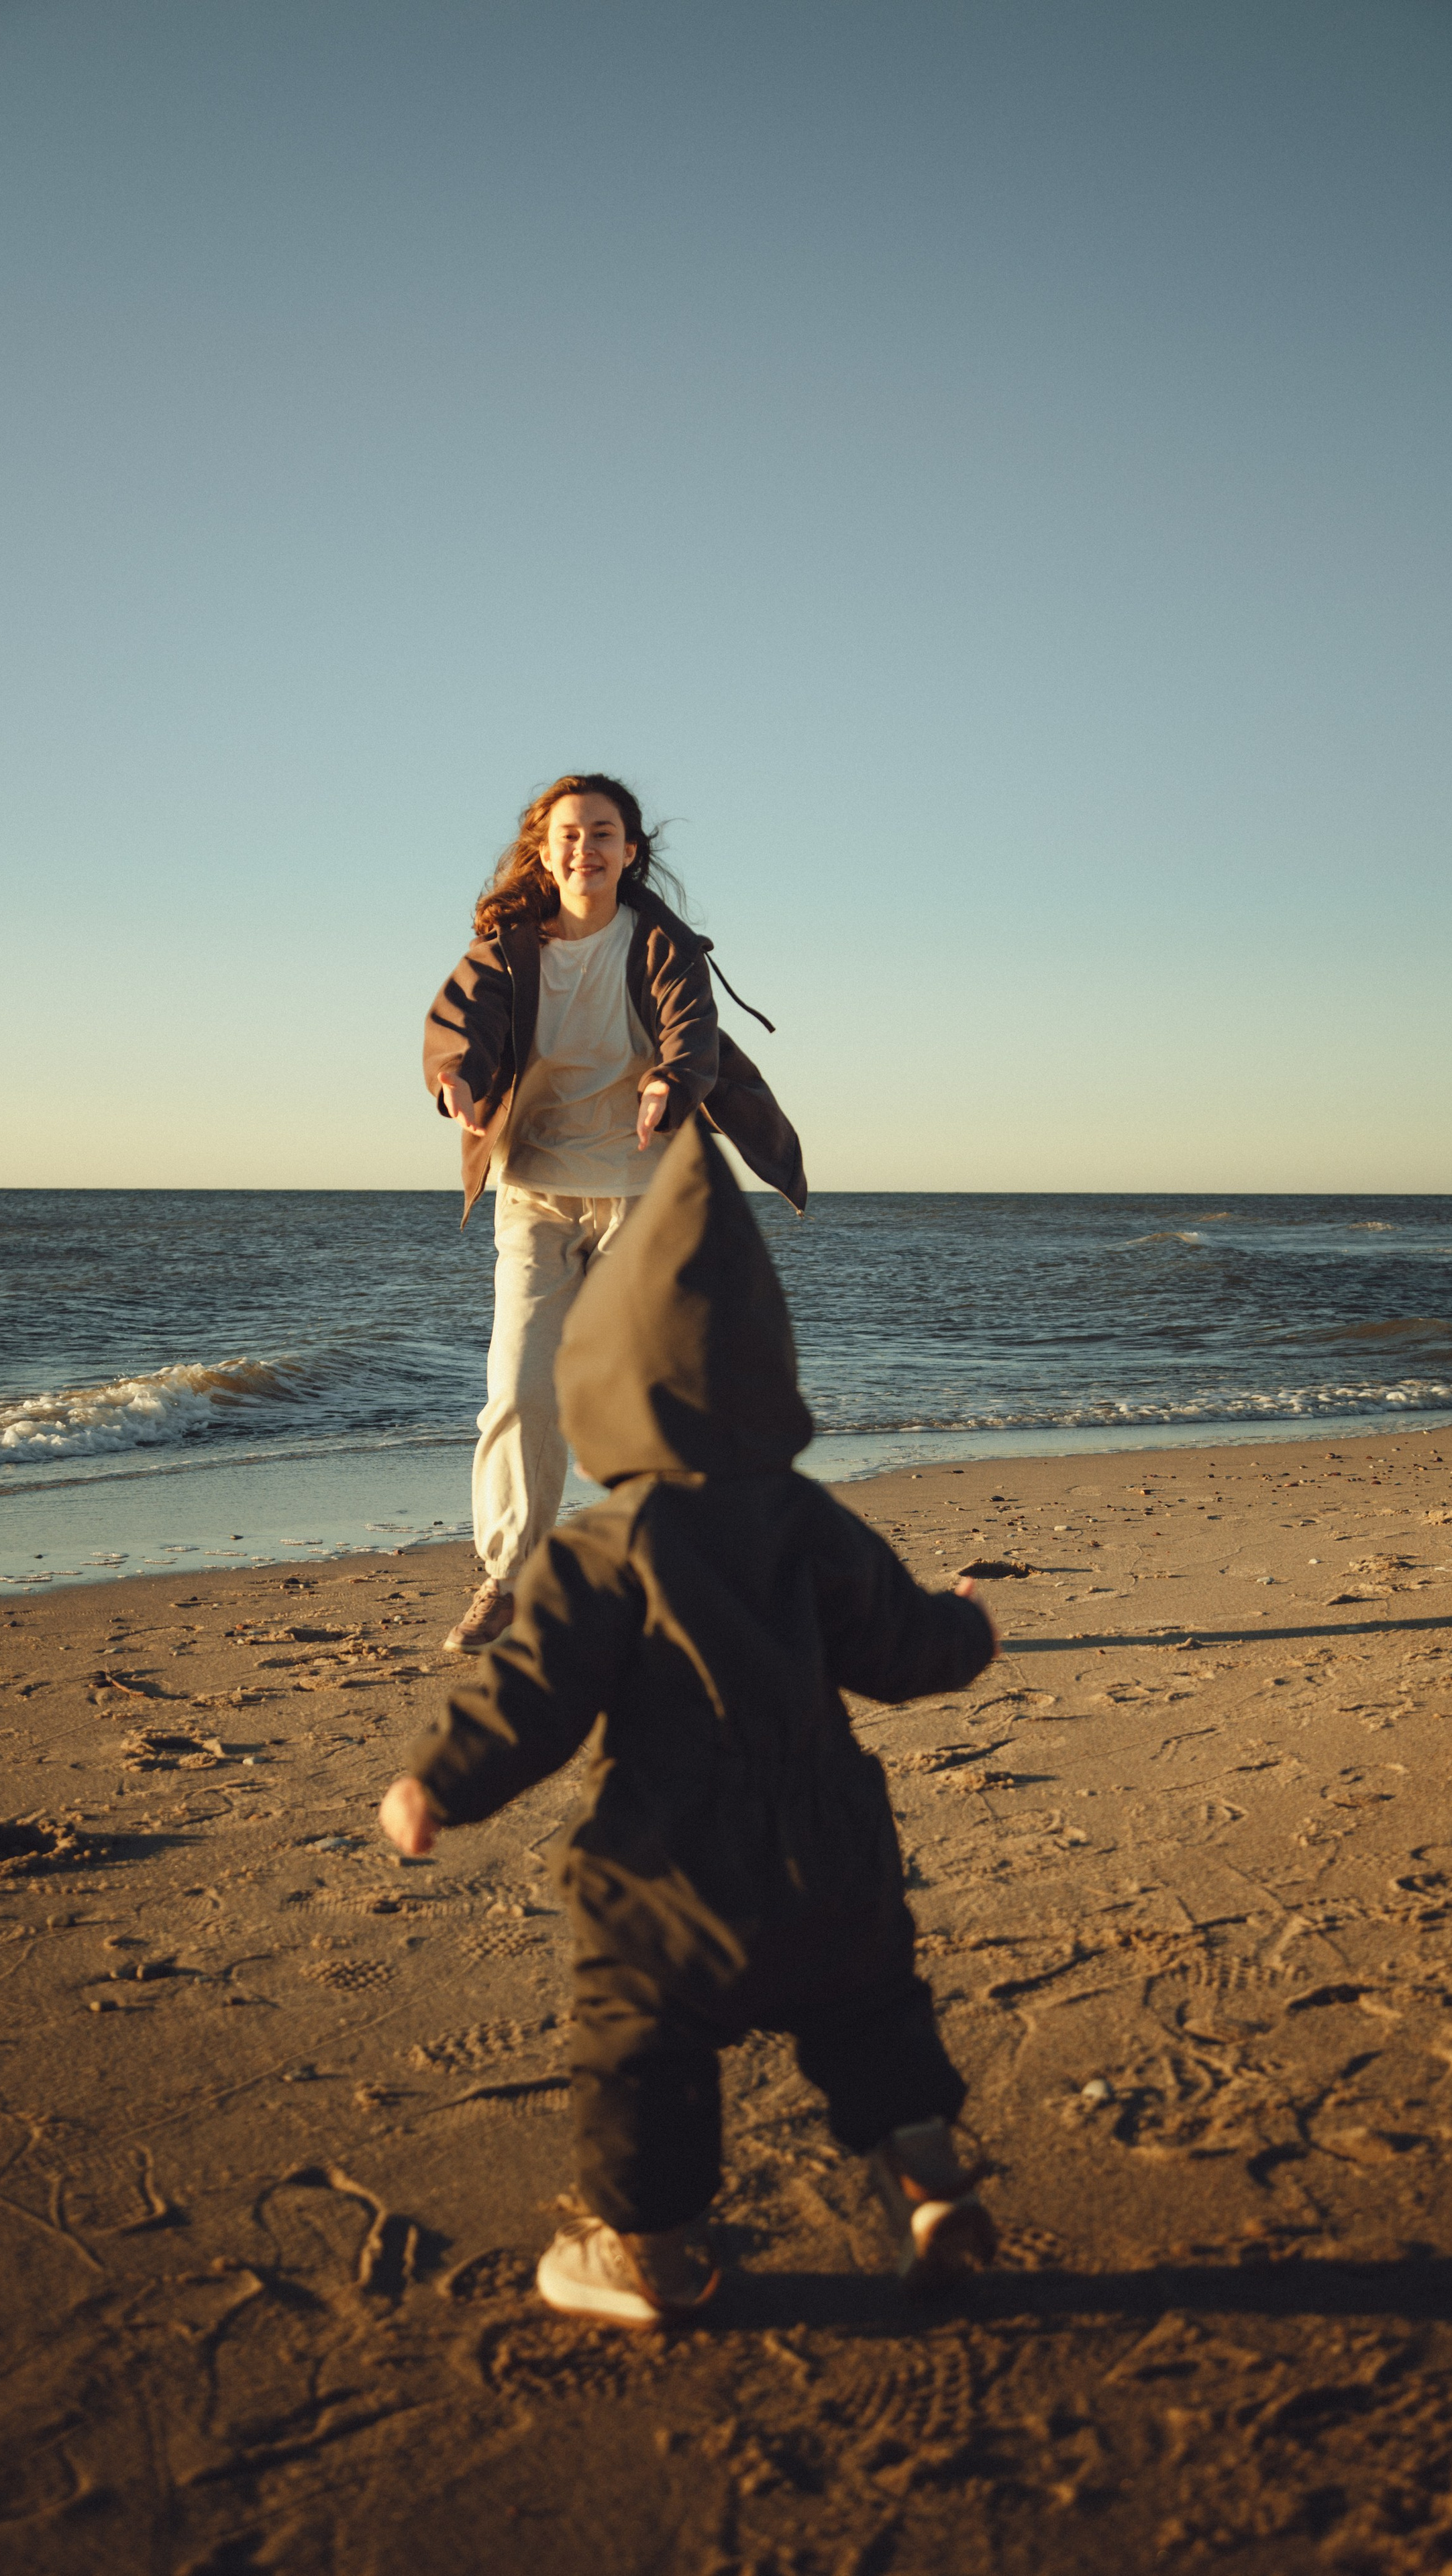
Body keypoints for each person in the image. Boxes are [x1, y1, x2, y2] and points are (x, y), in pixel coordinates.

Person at [379, 1120, 1000, 2326]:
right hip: (835, 1853)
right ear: (769, 1362)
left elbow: (533, 1696)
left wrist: (435, 1784)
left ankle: (648, 2252)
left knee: (639, 2045)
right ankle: (926, 2186)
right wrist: (968, 1628)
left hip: (673, 1870)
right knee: (871, 2017)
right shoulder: (812, 1521)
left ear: (604, 1375)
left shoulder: (608, 1547)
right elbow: (899, 1645)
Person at [424, 771, 806, 1654]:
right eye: (567, 832)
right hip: (537, 1193)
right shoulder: (505, 952)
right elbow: (461, 1029)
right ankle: (510, 1578)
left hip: (646, 1190)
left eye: (603, 833)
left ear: (630, 851)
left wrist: (672, 1080)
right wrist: (457, 1084)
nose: (584, 848)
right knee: (520, 1387)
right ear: (542, 849)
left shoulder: (663, 944)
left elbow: (692, 1032)